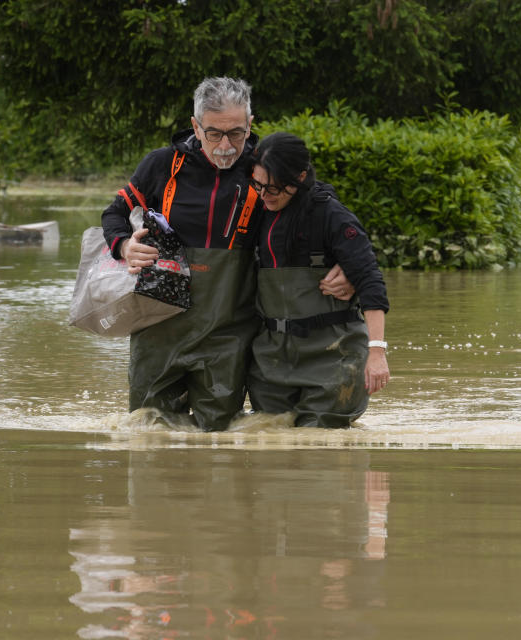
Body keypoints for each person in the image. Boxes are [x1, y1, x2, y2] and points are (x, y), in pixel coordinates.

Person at [101, 77, 352, 431]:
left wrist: (347, 264)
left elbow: (324, 209)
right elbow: (113, 214)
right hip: (157, 330)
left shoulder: (266, 168)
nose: (225, 146)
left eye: (236, 133)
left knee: (216, 439)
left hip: (230, 334)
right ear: (195, 126)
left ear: (251, 125)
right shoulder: (161, 166)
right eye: (213, 134)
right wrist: (125, 245)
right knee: (147, 432)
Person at [247, 132, 390, 427]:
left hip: (333, 358)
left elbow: (371, 281)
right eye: (258, 185)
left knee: (321, 447)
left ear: (300, 177)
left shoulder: (331, 216)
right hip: (271, 360)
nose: (264, 195)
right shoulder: (256, 213)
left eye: (274, 188)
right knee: (270, 440)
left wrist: (377, 353)